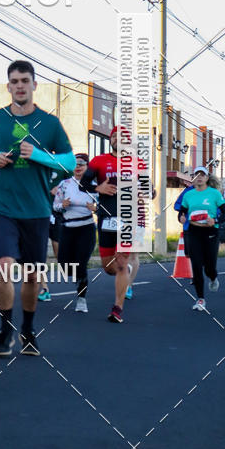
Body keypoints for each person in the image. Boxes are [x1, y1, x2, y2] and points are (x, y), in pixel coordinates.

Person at [0, 60, 75, 357]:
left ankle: (29, 329)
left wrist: (38, 155)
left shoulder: (50, 123)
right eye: (14, 81)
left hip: (36, 209)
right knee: (3, 266)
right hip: (3, 207)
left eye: (24, 80)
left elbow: (70, 163)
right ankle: (5, 328)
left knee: (33, 275)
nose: (19, 86)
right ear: (8, 86)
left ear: (34, 85)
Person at [79, 126, 150, 323]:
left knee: (121, 263)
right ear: (111, 140)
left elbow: (150, 190)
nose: (118, 139)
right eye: (115, 136)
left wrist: (143, 192)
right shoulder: (99, 161)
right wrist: (98, 188)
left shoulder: (137, 162)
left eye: (123, 136)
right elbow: (83, 184)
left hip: (129, 218)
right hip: (107, 218)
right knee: (109, 267)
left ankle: (117, 308)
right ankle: (125, 272)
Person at [53, 153, 97, 313]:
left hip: (86, 228)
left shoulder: (94, 185)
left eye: (81, 164)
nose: (78, 167)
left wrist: (95, 208)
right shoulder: (64, 184)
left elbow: (103, 206)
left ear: (87, 167)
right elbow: (55, 205)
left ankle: (81, 299)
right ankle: (77, 276)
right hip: (67, 228)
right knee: (64, 265)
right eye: (75, 164)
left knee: (81, 263)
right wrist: (62, 205)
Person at [179, 166, 225, 309]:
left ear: (207, 178)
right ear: (193, 178)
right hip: (194, 232)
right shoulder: (188, 195)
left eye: (202, 175)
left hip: (211, 232)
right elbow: (182, 212)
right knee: (196, 266)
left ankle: (213, 277)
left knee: (209, 267)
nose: (199, 177)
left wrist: (215, 220)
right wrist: (181, 217)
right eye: (196, 175)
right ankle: (200, 299)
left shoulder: (214, 194)